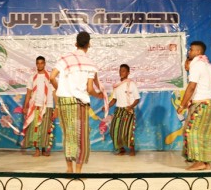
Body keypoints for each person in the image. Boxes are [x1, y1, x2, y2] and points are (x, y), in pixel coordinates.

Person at [50, 31, 104, 173]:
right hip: (79, 104)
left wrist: (61, 89)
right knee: (81, 137)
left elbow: (52, 77)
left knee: (68, 135)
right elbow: (90, 89)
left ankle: (69, 169)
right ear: (89, 44)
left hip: (64, 102)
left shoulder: (64, 59)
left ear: (75, 43)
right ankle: (78, 171)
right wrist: (98, 95)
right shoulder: (90, 64)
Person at [176, 41, 211, 171]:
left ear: (198, 52)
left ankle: (199, 162)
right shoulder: (208, 65)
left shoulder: (197, 65)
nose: (189, 52)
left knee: (191, 131)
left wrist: (182, 105)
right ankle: (206, 162)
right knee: (205, 133)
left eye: (191, 50)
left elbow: (191, 87)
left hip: (201, 103)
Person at [23, 56, 57, 157]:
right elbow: (28, 93)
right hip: (36, 106)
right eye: (38, 63)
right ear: (36, 64)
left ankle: (43, 149)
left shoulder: (50, 77)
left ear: (45, 64)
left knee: (46, 129)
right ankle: (37, 150)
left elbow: (54, 92)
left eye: (42, 63)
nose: (40, 65)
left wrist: (57, 107)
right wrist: (25, 106)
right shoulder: (32, 77)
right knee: (36, 129)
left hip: (48, 105)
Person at [108, 64, 140, 156]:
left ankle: (132, 149)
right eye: (120, 71)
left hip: (128, 111)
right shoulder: (117, 85)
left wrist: (131, 106)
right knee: (114, 131)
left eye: (123, 71)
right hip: (118, 110)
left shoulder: (131, 84)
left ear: (128, 72)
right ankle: (121, 149)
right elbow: (114, 99)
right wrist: (107, 106)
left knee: (127, 132)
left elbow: (137, 99)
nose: (121, 72)